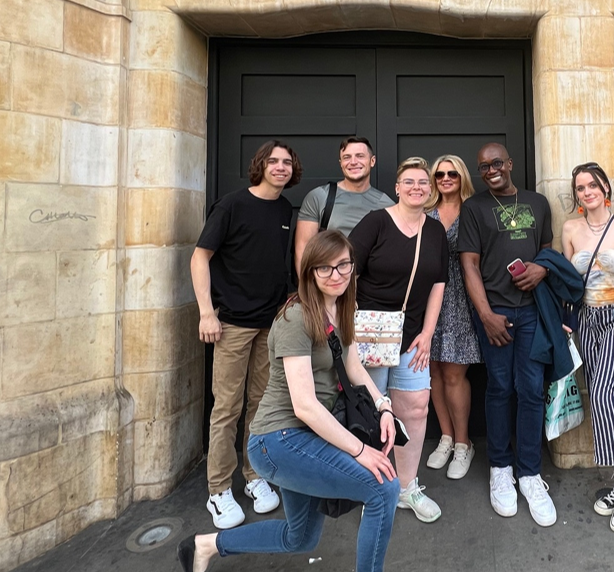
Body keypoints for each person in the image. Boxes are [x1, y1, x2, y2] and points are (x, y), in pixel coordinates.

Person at [178, 231, 400, 572]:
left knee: (300, 537)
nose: (336, 274)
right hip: (278, 441)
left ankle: (205, 546)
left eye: (343, 265)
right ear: (309, 272)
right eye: (324, 268)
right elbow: (305, 406)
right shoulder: (295, 318)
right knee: (383, 489)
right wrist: (359, 450)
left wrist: (383, 405)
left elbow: (354, 366)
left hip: (309, 437)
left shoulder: (342, 306)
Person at [190, 140, 299, 528]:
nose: (281, 167)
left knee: (261, 406)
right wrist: (207, 313)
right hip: (232, 324)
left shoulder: (286, 209)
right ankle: (218, 490)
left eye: (287, 162)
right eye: (274, 161)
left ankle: (255, 477)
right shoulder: (232, 205)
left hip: (270, 326)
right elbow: (200, 256)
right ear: (260, 165)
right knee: (226, 409)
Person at [458, 143, 558, 526]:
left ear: (510, 163)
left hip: (533, 312)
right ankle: (500, 468)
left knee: (532, 389)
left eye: (496, 163)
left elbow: (547, 247)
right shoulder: (475, 207)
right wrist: (485, 315)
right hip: (496, 312)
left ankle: (529, 473)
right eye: (483, 167)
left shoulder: (537, 202)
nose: (490, 171)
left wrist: (542, 269)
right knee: (500, 387)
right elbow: (468, 263)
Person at [349, 157, 450, 523]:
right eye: (409, 182)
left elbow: (439, 284)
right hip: (371, 335)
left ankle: (408, 487)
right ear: (396, 187)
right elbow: (346, 272)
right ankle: (375, 490)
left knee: (416, 408)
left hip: (411, 339)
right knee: (373, 413)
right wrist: (351, 325)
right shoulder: (376, 222)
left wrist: (428, 333)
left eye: (423, 182)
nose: (417, 187)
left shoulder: (435, 231)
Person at [561, 162, 614, 533]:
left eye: (592, 185)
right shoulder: (570, 229)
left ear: (605, 188)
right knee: (598, 395)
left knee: (602, 395)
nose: (586, 192)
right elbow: (566, 280)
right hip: (585, 321)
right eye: (580, 188)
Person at [423, 155, 483, 480]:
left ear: (462, 178)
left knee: (453, 376)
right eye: (440, 174)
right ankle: (445, 436)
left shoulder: (473, 211)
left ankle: (464, 443)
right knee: (431, 371)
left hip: (461, 299)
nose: (446, 178)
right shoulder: (424, 212)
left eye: (452, 174)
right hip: (428, 301)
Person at [295, 136, 393, 274]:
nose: (353, 162)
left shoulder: (387, 204)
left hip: (369, 289)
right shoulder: (319, 196)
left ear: (372, 161)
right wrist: (307, 290)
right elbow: (303, 248)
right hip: (328, 283)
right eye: (347, 157)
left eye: (360, 156)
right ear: (341, 163)